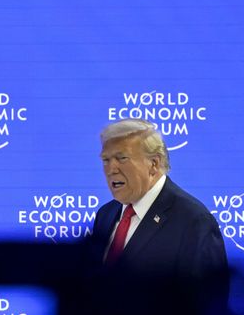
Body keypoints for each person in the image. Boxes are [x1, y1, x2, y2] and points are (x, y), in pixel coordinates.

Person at [89, 119, 227, 277]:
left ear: (154, 164)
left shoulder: (193, 221)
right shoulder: (105, 214)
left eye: (122, 158)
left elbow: (208, 292)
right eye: (106, 160)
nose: (111, 169)